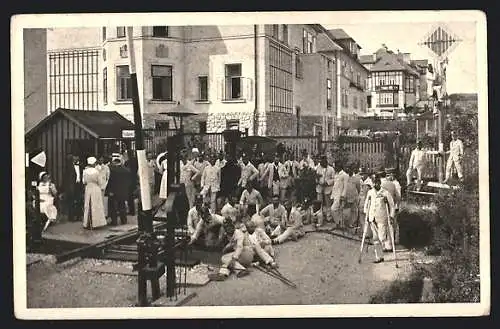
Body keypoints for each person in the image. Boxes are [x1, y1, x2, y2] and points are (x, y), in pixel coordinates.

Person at [210, 220, 277, 281]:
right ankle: (223, 274)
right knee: (227, 261)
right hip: (245, 254)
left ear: (233, 226)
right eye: (226, 228)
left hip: (248, 253)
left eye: (229, 227)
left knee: (226, 258)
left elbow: (239, 247)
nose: (228, 229)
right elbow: (232, 243)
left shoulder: (240, 233)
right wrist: (226, 248)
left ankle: (241, 270)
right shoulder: (232, 233)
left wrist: (271, 261)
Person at [364, 175, 396, 262]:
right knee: (375, 238)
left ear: (380, 183)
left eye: (377, 182)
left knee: (381, 237)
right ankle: (378, 257)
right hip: (372, 218)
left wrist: (391, 216)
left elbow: (392, 206)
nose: (375, 184)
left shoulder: (385, 193)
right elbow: (366, 204)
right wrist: (366, 213)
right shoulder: (370, 192)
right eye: (373, 182)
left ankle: (382, 251)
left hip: (382, 218)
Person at [82, 157, 107, 229]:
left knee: (88, 204)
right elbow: (100, 182)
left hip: (88, 188)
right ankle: (96, 223)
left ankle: (87, 222)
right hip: (95, 188)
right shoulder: (97, 171)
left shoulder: (85, 171)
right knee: (96, 205)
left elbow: (84, 181)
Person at [106, 157, 131, 225]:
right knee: (122, 206)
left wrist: (109, 191)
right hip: (123, 191)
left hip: (114, 192)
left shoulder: (112, 170)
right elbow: (128, 182)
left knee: (113, 207)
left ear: (115, 162)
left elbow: (110, 182)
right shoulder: (126, 170)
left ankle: (114, 221)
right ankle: (124, 220)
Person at [62, 155, 84, 222]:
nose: (76, 159)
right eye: (75, 158)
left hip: (79, 185)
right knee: (71, 202)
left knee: (79, 201)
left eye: (77, 157)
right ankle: (71, 217)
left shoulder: (80, 166)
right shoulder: (69, 167)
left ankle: (79, 216)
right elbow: (66, 178)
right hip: (72, 186)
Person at [315, 155, 335, 226]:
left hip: (327, 188)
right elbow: (316, 176)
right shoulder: (318, 168)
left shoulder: (331, 169)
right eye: (320, 161)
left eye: (323, 161)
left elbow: (334, 179)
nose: (321, 163)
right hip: (319, 187)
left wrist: (327, 182)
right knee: (319, 203)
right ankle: (320, 218)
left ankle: (328, 217)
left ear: (326, 161)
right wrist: (317, 181)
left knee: (328, 203)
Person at [330, 161, 349, 229]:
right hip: (335, 195)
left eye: (335, 167)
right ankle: (338, 224)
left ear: (339, 167)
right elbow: (335, 186)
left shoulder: (345, 175)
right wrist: (332, 195)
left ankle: (339, 223)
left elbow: (345, 187)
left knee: (333, 209)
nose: (334, 168)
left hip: (340, 196)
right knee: (337, 211)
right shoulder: (336, 174)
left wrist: (343, 196)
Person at [345, 165, 361, 230]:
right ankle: (346, 222)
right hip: (346, 196)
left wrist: (356, 195)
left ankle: (352, 222)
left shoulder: (356, 179)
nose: (350, 171)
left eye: (351, 170)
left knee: (354, 210)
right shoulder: (345, 177)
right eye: (349, 170)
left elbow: (358, 188)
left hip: (354, 196)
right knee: (347, 210)